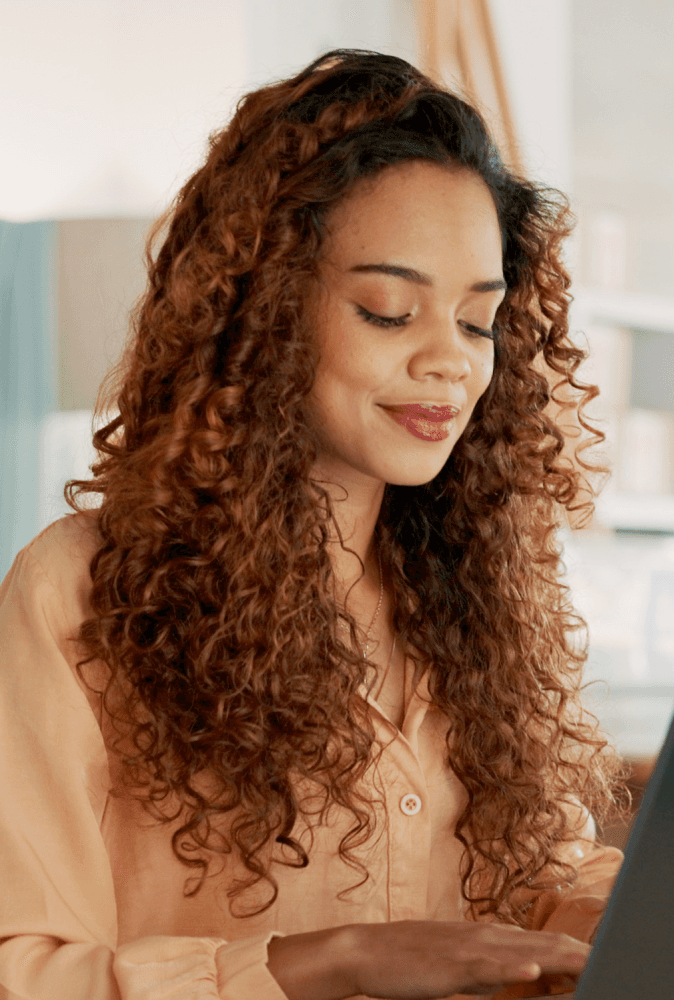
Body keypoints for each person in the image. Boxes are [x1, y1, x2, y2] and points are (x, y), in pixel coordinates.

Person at [0, 50, 630, 1000]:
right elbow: (22, 966)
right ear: (265, 309)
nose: (449, 363)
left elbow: (533, 889)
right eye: (388, 311)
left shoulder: (475, 596)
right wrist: (326, 964)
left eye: (475, 322)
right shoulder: (82, 593)